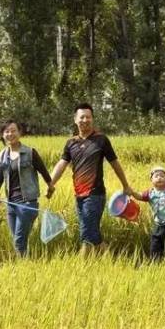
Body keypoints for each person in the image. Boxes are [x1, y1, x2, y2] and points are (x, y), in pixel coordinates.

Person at [50, 103, 133, 256]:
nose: (85, 120)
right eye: (82, 117)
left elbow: (115, 163)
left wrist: (125, 185)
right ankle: (98, 262)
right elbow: (62, 164)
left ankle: (99, 262)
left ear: (92, 119)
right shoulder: (71, 143)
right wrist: (51, 183)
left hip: (95, 194)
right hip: (79, 196)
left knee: (87, 233)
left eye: (88, 117)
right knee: (88, 232)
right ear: (75, 120)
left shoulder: (101, 140)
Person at [0, 120, 55, 257]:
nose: (10, 134)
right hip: (10, 204)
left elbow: (43, 171)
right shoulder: (3, 155)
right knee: (18, 241)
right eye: (6, 131)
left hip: (27, 203)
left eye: (13, 130)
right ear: (2, 135)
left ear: (20, 132)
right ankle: (27, 266)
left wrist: (50, 188)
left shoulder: (30, 152)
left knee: (19, 241)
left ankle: (21, 267)